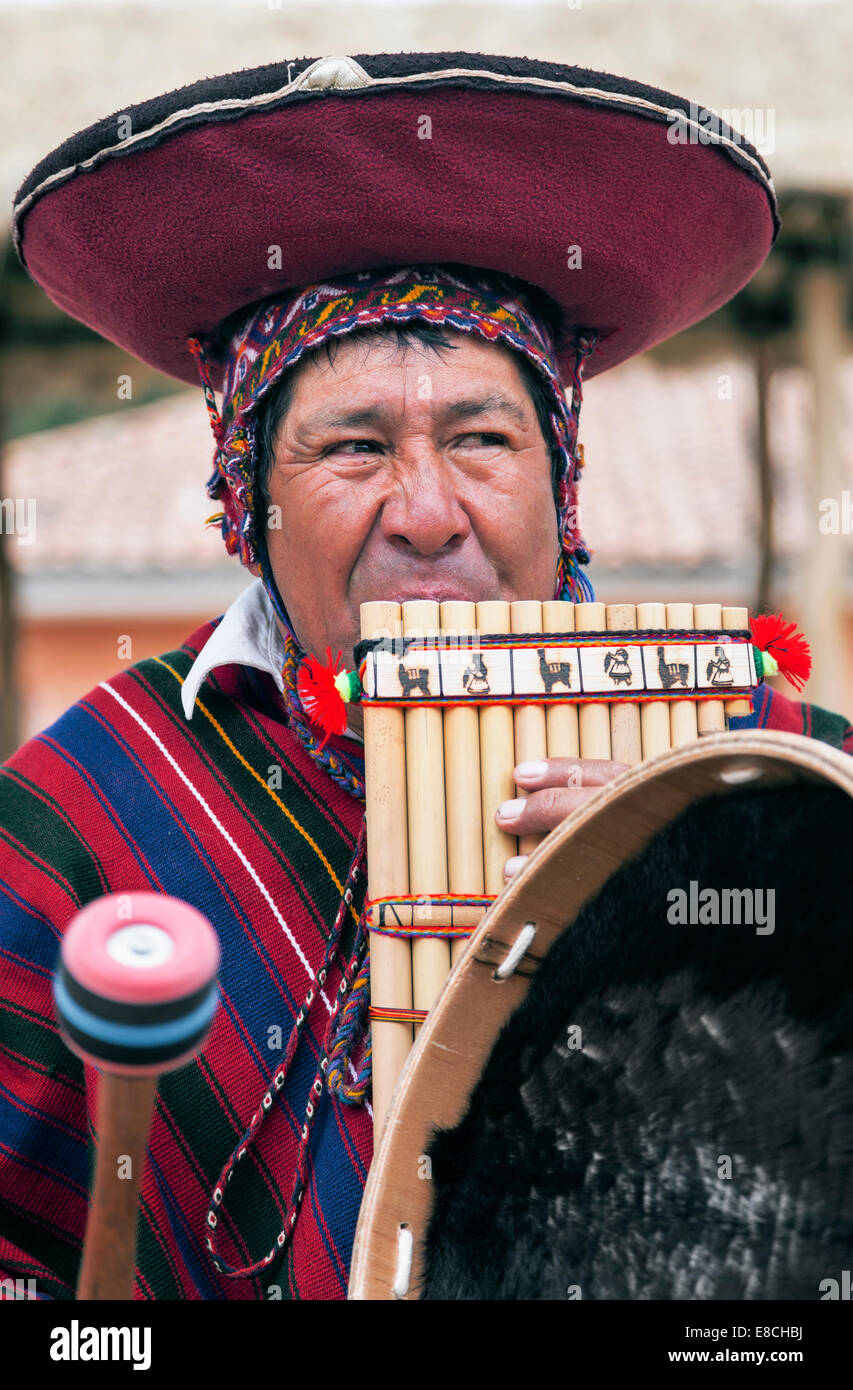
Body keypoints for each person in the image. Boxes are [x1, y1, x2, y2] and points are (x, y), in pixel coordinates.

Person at [2, 51, 850, 1301]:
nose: (428, 512)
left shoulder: (773, 764)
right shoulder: (86, 813)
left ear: (560, 491)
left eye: (482, 439)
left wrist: (730, 890)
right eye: (352, 447)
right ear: (249, 505)